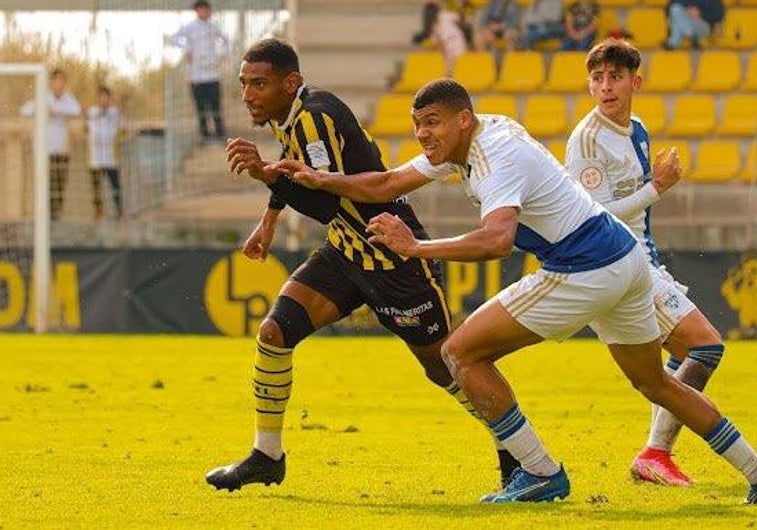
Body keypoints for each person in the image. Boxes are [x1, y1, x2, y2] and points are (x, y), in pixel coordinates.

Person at [270, 78, 757, 505]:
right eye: (418, 124)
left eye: (433, 123)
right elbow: (389, 181)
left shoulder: (494, 157)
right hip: (625, 259)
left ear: (464, 119)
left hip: (583, 266)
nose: (424, 134)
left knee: (459, 352)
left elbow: (497, 241)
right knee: (656, 383)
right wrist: (323, 179)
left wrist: (415, 247)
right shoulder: (478, 135)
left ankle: (541, 473)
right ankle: (755, 472)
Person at [204, 38, 520, 493]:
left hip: (393, 252)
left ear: (290, 83)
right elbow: (301, 174)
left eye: (259, 83)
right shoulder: (291, 115)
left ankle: (512, 445)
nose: (248, 93)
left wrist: (264, 173)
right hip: (346, 250)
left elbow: (330, 198)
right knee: (275, 332)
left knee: (445, 365)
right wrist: (269, 220)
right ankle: (267, 455)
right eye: (243, 83)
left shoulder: (315, 116)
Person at [565, 38, 729, 487]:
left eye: (615, 77)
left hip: (641, 258)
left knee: (684, 358)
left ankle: (655, 455)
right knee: (704, 347)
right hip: (615, 262)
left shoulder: (636, 129)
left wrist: (651, 203)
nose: (605, 86)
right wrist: (657, 187)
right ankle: (656, 452)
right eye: (597, 78)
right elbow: (591, 215)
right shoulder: (587, 139)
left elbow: (632, 206)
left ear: (635, 81)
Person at [20, 68, 81, 221]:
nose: (59, 83)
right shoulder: (43, 97)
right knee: (45, 184)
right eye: (56, 80)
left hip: (61, 150)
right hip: (44, 150)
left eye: (62, 80)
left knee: (59, 184)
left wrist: (55, 109)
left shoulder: (68, 99)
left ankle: (55, 216)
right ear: (52, 82)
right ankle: (44, 216)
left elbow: (77, 110)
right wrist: (43, 109)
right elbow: (24, 110)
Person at [169, 0, 229, 141]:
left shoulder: (214, 27)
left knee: (215, 106)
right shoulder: (189, 27)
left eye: (205, 9)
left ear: (209, 11)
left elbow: (225, 41)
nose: (203, 12)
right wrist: (186, 50)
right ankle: (205, 135)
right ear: (196, 11)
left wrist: (222, 56)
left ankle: (220, 134)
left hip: (213, 74)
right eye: (200, 9)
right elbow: (174, 39)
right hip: (196, 76)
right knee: (201, 108)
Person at [85, 86, 123, 221]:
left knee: (115, 185)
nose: (103, 100)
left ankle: (119, 212)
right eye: (101, 97)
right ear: (98, 98)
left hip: (110, 156)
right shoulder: (92, 112)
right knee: (96, 187)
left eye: (106, 97)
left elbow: (121, 128)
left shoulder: (115, 113)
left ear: (109, 98)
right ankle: (98, 213)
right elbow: (85, 124)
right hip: (95, 156)